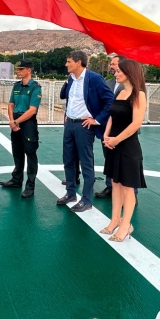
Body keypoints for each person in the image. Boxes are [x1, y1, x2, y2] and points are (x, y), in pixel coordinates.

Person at [56, 50, 114, 212]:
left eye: (68, 61)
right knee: (68, 159)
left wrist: (97, 119)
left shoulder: (94, 79)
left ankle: (87, 200)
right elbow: (67, 97)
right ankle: (71, 193)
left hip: (84, 126)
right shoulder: (71, 79)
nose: (66, 64)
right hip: (70, 124)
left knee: (86, 162)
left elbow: (110, 100)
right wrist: (68, 114)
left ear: (78, 62)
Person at [101, 59, 148, 242]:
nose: (116, 73)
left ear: (129, 72)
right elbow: (112, 116)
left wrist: (117, 139)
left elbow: (136, 123)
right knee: (115, 184)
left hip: (128, 146)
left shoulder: (138, 95)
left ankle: (126, 226)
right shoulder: (120, 92)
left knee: (128, 188)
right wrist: (106, 135)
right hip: (113, 144)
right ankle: (114, 220)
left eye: (119, 71)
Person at [0, 60, 42, 198]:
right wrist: (12, 121)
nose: (18, 71)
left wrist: (16, 121)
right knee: (17, 152)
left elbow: (32, 110)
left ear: (29, 70)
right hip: (16, 121)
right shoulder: (16, 86)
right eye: (18, 69)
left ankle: (30, 185)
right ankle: (16, 180)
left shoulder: (35, 87)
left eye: (21, 69)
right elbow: (11, 104)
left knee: (30, 153)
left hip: (27, 123)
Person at [95, 54, 125, 199]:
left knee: (125, 161)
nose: (111, 66)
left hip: (124, 129)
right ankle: (110, 187)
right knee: (109, 159)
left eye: (113, 64)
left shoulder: (132, 85)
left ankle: (130, 193)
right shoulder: (107, 83)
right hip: (107, 128)